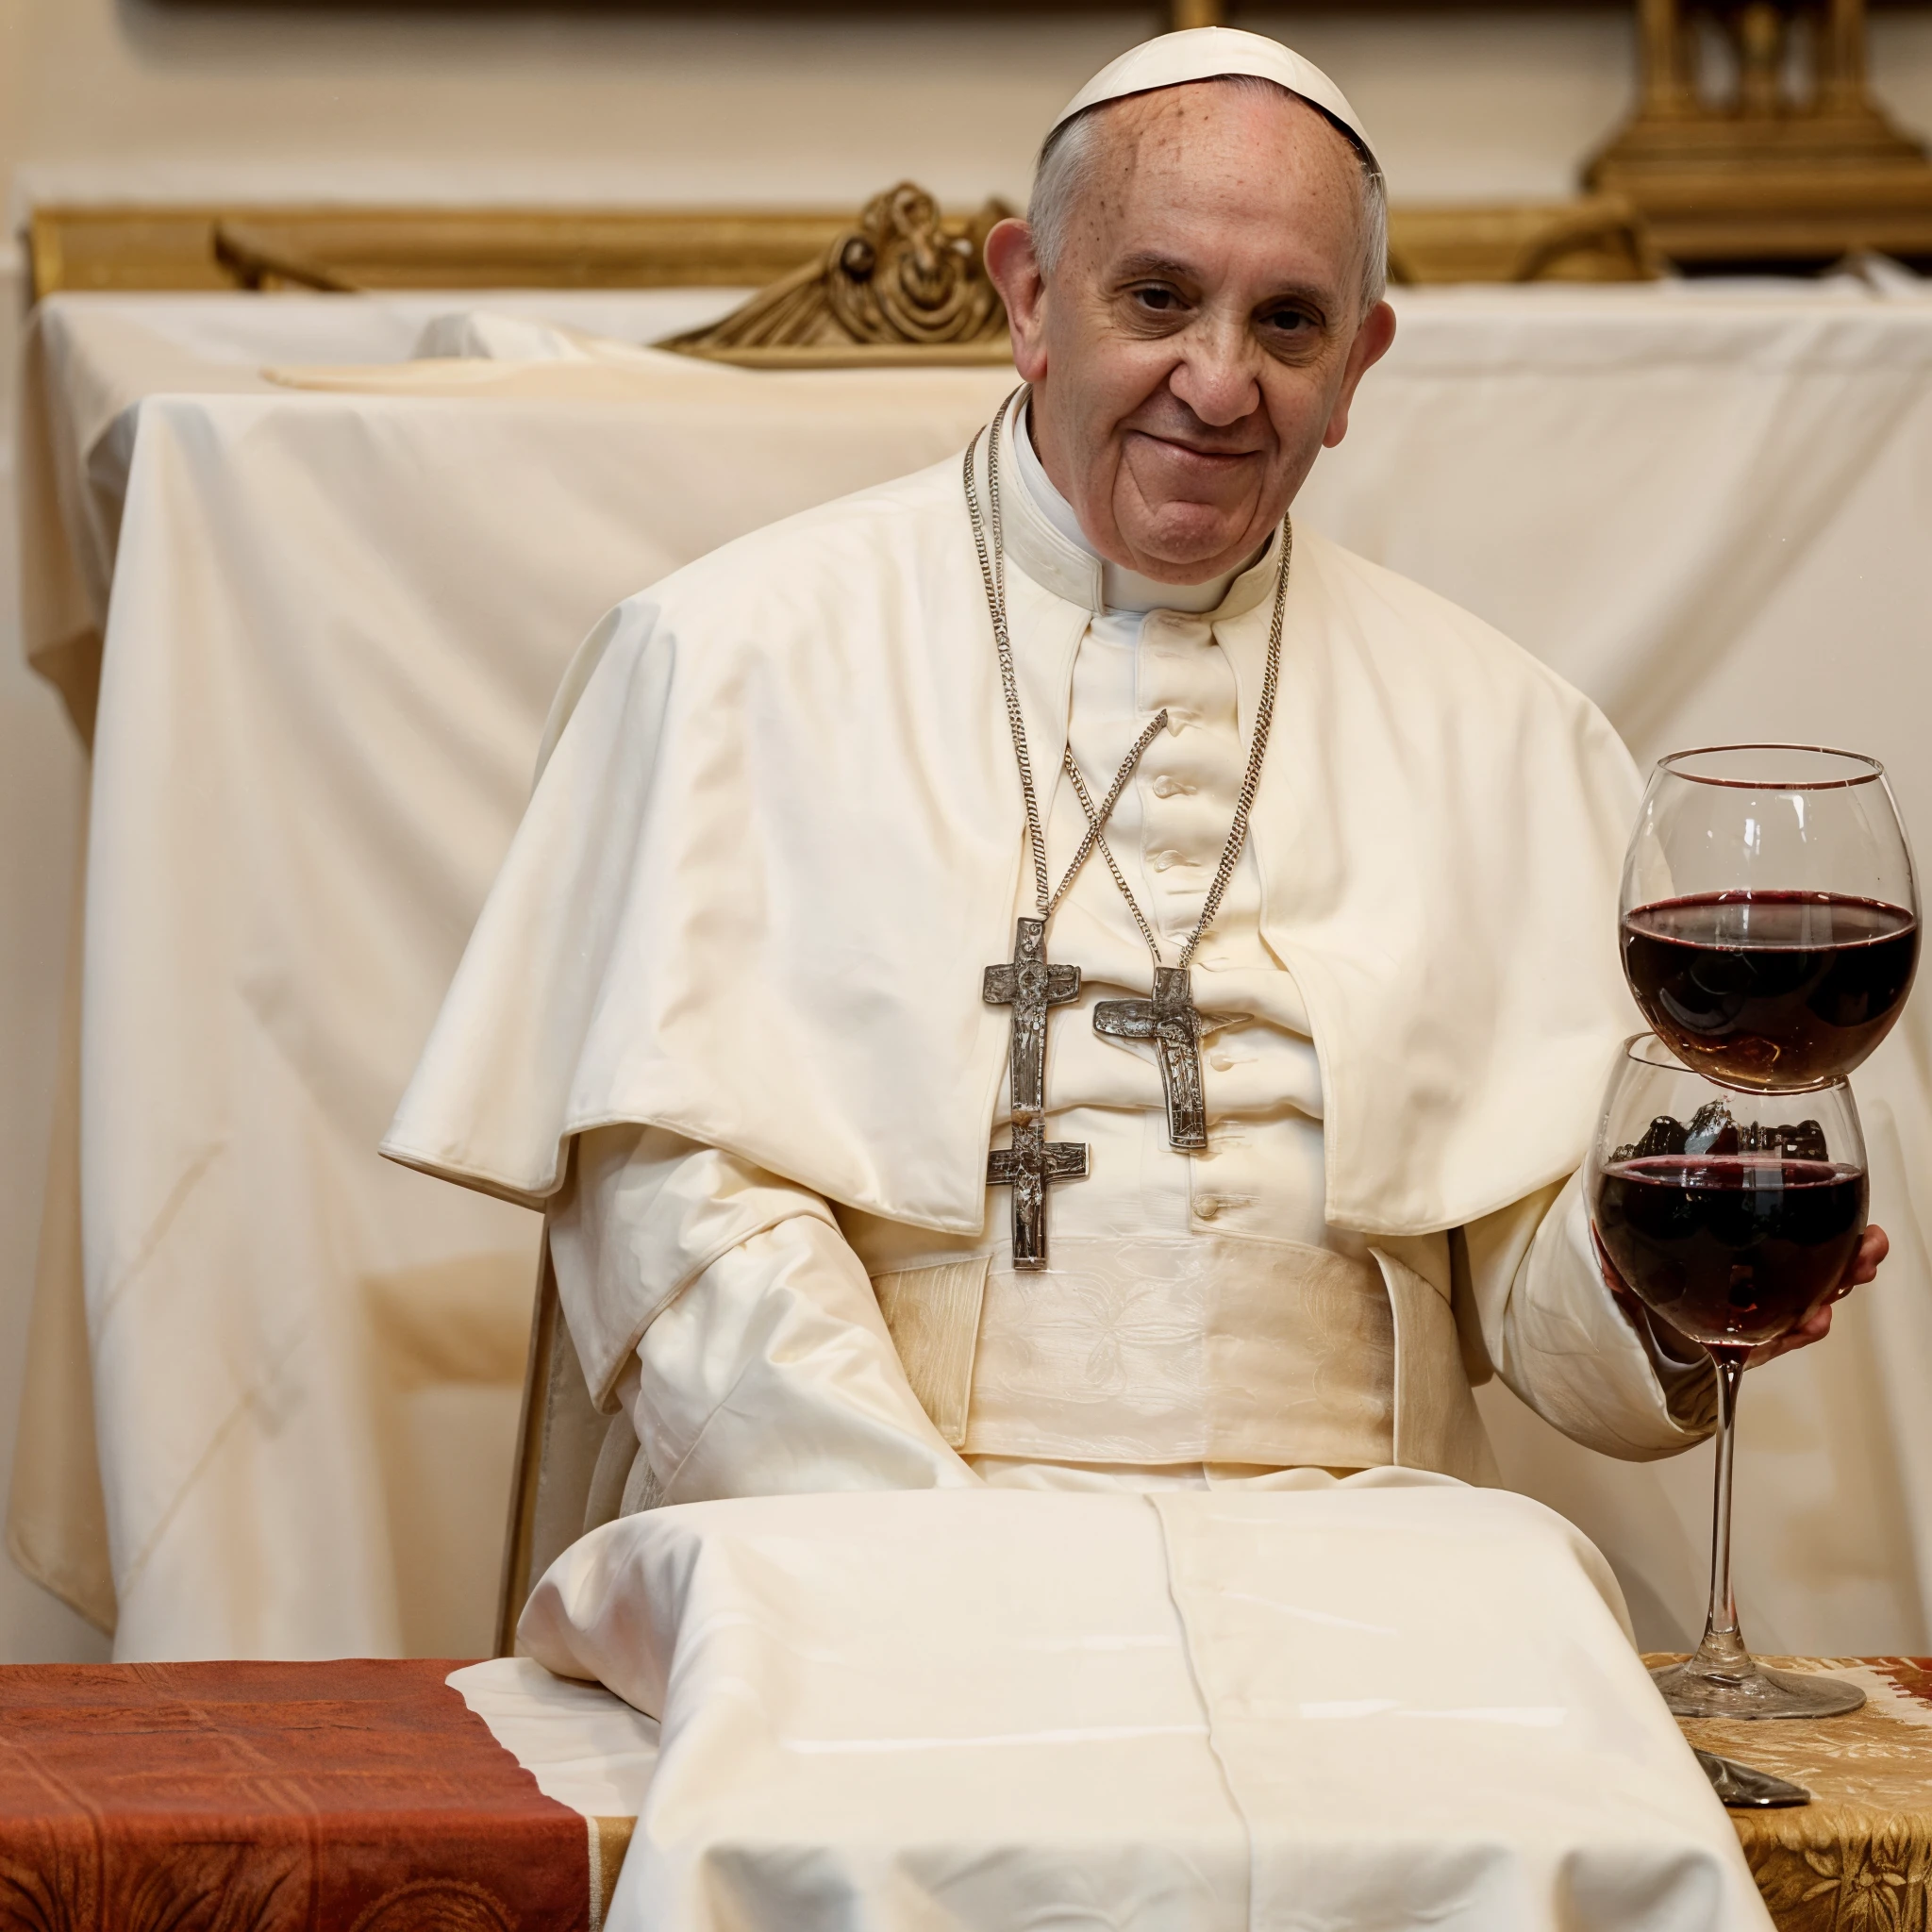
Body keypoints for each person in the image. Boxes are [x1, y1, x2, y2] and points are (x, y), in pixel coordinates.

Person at [384, 28, 1884, 1511]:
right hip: (874, 1533)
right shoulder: (727, 658)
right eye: (1159, 298)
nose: (1220, 385)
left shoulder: (1505, 723)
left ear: (1357, 364)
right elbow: (679, 1230)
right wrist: (942, 1566)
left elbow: (1533, 1305)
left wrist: (1659, 1297)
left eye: (1289, 323)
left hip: (1374, 1543)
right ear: (1030, 299)